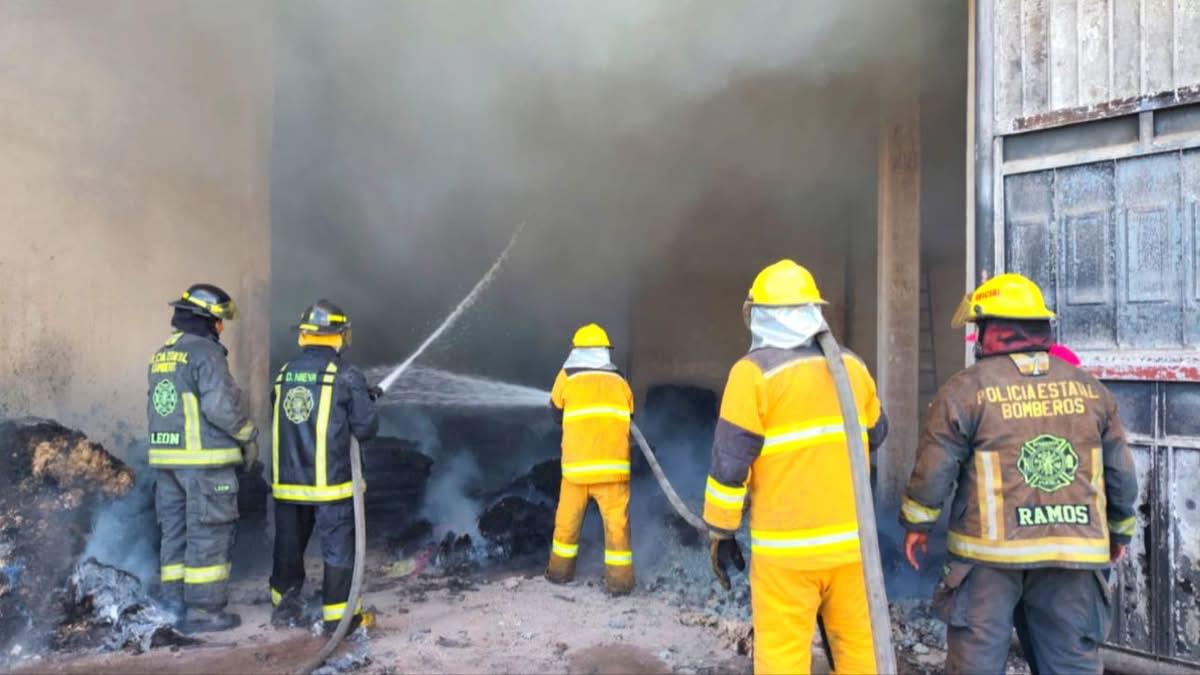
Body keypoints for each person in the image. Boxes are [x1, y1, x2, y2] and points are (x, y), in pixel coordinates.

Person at [901, 273, 1138, 674]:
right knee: (1070, 664)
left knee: (977, 665)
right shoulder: (1090, 389)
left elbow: (934, 467)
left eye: (979, 328)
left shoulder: (964, 390)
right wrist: (1119, 531)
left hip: (988, 559)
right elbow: (1120, 474)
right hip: (1073, 552)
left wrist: (917, 523)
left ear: (992, 329)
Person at [703, 260, 888, 675]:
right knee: (860, 651)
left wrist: (721, 531)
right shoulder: (852, 367)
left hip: (785, 555)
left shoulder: (752, 374)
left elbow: (729, 466)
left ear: (758, 317)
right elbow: (877, 433)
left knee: (783, 657)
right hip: (852, 548)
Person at [148, 283, 258, 633]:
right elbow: (220, 407)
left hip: (168, 462)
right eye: (219, 320)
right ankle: (205, 612)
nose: (222, 327)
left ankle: (173, 605)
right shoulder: (206, 353)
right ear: (206, 319)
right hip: (204, 464)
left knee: (176, 534)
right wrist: (247, 435)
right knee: (208, 534)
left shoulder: (163, 354)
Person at [269, 300, 380, 632]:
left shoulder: (284, 374)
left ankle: (285, 609)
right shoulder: (346, 375)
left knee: (288, 549)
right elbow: (365, 428)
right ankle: (339, 620)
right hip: (331, 485)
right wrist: (365, 401)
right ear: (340, 335)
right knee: (338, 551)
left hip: (288, 483)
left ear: (304, 335)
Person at [545, 323, 636, 595]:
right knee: (617, 529)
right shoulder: (620, 381)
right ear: (605, 351)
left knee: (566, 525)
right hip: (613, 473)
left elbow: (554, 413)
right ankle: (620, 584)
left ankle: (559, 574)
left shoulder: (567, 377)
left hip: (576, 472)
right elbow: (630, 415)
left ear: (576, 351)